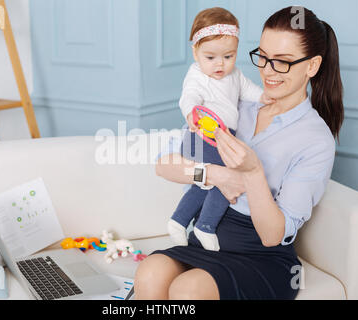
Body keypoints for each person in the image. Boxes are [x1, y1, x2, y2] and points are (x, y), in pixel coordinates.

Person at [134, 6, 344, 300]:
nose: (268, 71)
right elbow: (165, 166)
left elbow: (273, 236)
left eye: (282, 62)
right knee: (150, 270)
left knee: (188, 289)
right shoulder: (234, 106)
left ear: (312, 66)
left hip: (260, 256)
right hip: (205, 240)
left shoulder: (316, 139)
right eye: (263, 57)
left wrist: (252, 172)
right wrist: (214, 174)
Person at [169, 7, 273, 251]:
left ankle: (179, 220)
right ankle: (205, 226)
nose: (220, 64)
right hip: (203, 135)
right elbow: (189, 97)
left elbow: (249, 91)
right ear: (195, 52)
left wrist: (264, 98)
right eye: (211, 57)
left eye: (228, 56)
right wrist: (191, 113)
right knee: (229, 178)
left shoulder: (234, 75)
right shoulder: (196, 76)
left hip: (223, 137)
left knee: (206, 183)